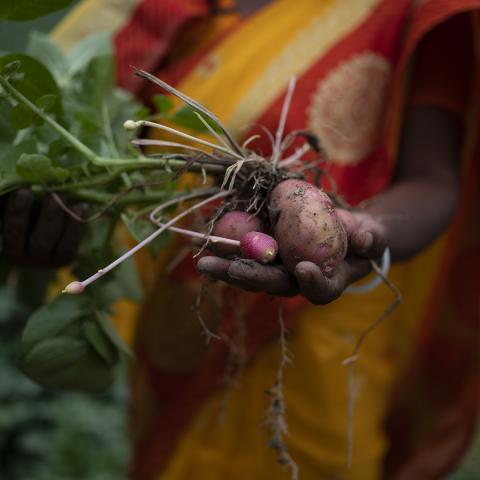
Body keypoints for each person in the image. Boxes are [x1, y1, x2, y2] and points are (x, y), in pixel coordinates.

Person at [2, 0, 478, 478]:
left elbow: (433, 180)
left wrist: (368, 230)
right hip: (177, 323)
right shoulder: (164, 10)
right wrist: (61, 211)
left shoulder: (417, 8)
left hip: (324, 346)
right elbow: (103, 138)